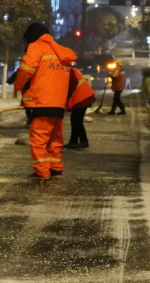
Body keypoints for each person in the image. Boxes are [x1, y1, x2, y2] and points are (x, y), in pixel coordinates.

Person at [14, 23, 77, 180]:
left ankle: (41, 172)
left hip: (43, 101)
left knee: (38, 138)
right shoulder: (61, 51)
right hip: (58, 102)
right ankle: (56, 169)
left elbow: (26, 70)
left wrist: (17, 86)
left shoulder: (37, 47)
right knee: (55, 138)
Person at [65, 67, 96, 149]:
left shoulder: (66, 70)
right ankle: (73, 141)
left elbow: (72, 84)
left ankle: (83, 141)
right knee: (74, 120)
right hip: (83, 97)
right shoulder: (69, 69)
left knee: (77, 121)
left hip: (81, 98)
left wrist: (66, 94)